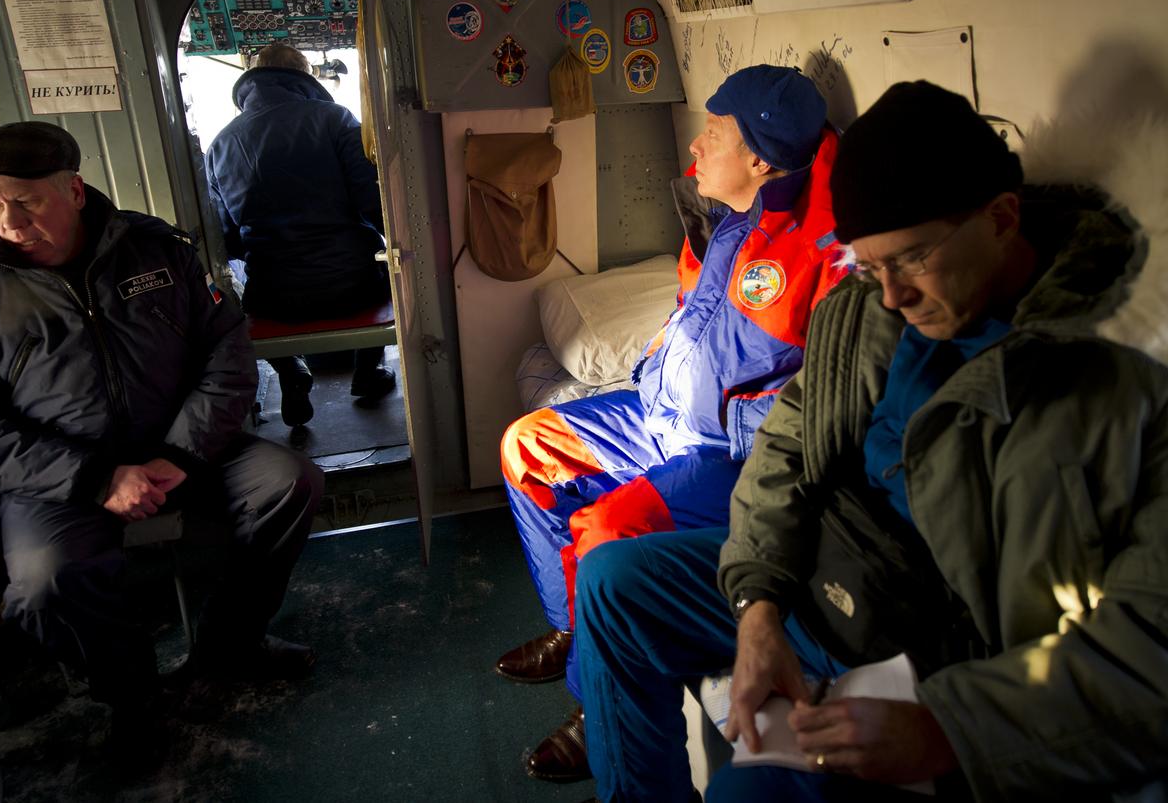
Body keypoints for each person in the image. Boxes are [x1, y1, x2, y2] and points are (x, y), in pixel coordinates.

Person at [574, 80, 1168, 802]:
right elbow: (785, 449)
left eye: (912, 259)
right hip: (824, 570)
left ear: (1004, 218)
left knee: (745, 796)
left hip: (933, 644)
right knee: (613, 582)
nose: (891, 294)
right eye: (869, 265)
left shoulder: (1106, 380)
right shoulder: (864, 310)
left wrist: (950, 728)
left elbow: (1147, 645)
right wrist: (757, 602)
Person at [0, 121, 325, 770]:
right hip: (62, 476)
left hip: (181, 447)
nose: (10, 223)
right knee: (45, 580)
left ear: (73, 190)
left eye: (28, 201)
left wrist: (181, 454)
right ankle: (132, 699)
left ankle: (231, 643)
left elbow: (227, 353)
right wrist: (98, 480)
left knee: (288, 480)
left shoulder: (156, 251)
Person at [497, 65, 847, 782]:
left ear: (758, 157)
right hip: (655, 418)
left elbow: (823, 386)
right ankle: (576, 629)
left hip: (724, 454)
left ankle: (593, 701)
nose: (694, 144)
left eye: (712, 133)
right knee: (529, 446)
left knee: (606, 531)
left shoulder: (820, 245)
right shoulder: (729, 221)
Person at [205, 43, 395, 428]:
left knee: (250, 297)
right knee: (386, 277)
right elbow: (374, 205)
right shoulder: (335, 119)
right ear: (304, 78)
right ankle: (367, 372)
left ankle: (292, 372)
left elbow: (228, 239)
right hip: (352, 286)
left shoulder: (220, 145)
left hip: (274, 296)